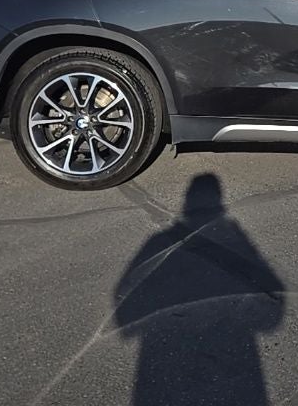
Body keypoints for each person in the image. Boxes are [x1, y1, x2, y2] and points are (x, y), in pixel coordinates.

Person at [114, 174, 284, 405]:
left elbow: (125, 292)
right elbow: (271, 307)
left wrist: (128, 324)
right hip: (230, 351)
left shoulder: (158, 240)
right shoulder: (231, 231)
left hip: (161, 352)